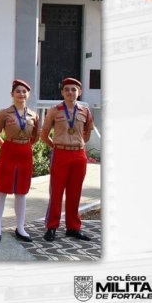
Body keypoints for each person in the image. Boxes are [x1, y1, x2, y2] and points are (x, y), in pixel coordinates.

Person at [41, 77, 94, 242]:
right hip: (60, 153)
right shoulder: (54, 110)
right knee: (56, 192)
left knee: (75, 192)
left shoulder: (85, 111)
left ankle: (73, 227)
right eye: (67, 89)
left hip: (78, 155)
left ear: (80, 92)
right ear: (62, 92)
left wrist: (76, 144)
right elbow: (44, 135)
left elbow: (87, 134)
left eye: (74, 89)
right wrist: (57, 146)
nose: (70, 92)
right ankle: (52, 227)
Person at [0, 79, 40, 243]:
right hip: (8, 151)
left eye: (24, 91)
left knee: (22, 191)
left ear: (28, 94)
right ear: (12, 94)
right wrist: (3, 145)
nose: (21, 94)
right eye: (18, 91)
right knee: (2, 189)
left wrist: (24, 146)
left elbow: (35, 137)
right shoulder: (4, 113)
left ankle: (20, 227)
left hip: (25, 152)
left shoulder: (34, 115)